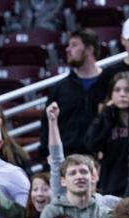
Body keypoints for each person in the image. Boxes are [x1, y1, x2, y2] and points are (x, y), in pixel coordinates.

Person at [41, 30, 110, 158]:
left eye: (74, 45)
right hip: (67, 159)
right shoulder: (60, 88)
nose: (68, 49)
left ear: (89, 49)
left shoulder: (109, 84)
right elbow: (46, 125)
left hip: (102, 159)